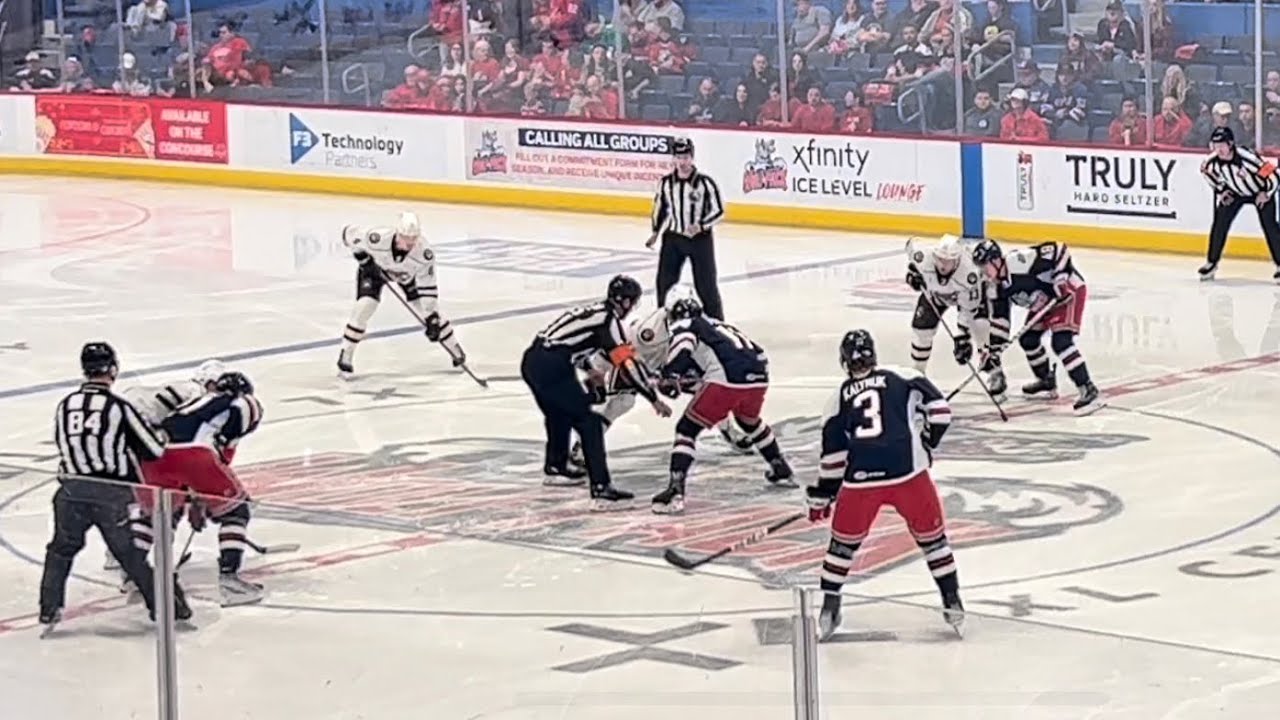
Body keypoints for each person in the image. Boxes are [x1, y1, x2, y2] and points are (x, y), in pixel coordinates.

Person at [805, 330, 961, 640]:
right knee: (933, 541)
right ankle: (952, 600)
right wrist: (928, 441)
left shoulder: (836, 399)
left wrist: (823, 495)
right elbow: (942, 412)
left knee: (842, 547)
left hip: (861, 482)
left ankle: (829, 608)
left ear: (844, 362)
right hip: (909, 475)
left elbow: (834, 458)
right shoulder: (903, 375)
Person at [40, 342, 191, 633]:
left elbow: (63, 442)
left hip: (70, 490)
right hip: (110, 492)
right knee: (130, 553)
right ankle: (168, 608)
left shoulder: (66, 405)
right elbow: (152, 450)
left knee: (60, 549)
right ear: (112, 369)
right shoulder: (118, 407)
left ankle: (49, 609)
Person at [521, 275, 671, 508]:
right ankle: (601, 489)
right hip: (553, 365)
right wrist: (653, 399)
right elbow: (627, 364)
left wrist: (590, 369)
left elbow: (568, 343)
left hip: (533, 360)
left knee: (557, 414)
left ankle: (556, 467)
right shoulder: (608, 321)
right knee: (589, 423)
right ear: (625, 302)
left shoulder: (594, 312)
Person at [651, 297, 794, 514]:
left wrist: (670, 375)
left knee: (686, 430)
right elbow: (759, 353)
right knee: (749, 422)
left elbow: (684, 346)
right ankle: (780, 466)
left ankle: (675, 490)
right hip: (759, 376)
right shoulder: (721, 326)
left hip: (727, 378)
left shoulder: (687, 324)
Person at [133, 371, 265, 605]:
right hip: (194, 454)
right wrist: (209, 502)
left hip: (155, 455)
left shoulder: (193, 402)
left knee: (161, 513)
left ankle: (132, 572)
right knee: (237, 509)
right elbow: (222, 453)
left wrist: (195, 498)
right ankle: (229, 581)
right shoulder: (245, 402)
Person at [972, 239, 1102, 415]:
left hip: (1068, 293)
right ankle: (1046, 381)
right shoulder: (996, 287)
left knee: (1061, 342)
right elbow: (1001, 322)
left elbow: (1059, 248)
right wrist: (994, 351)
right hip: (1045, 302)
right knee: (1029, 340)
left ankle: (1087, 388)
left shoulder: (1018, 262)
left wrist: (1060, 278)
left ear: (996, 260)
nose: (983, 273)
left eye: (984, 266)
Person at [336, 212, 469, 376]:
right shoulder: (377, 238)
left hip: (407, 278)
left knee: (426, 313)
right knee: (364, 307)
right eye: (405, 237)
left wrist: (432, 317)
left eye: (413, 238)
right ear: (397, 233)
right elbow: (348, 234)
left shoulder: (424, 254)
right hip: (375, 272)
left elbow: (428, 287)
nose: (410, 243)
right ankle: (346, 353)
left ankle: (454, 348)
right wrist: (364, 260)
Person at [906, 235, 1007, 397]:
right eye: (940, 259)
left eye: (948, 261)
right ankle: (917, 375)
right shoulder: (923, 257)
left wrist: (962, 337)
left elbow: (968, 310)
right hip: (934, 296)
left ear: (958, 259)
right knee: (921, 331)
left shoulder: (969, 274)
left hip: (965, 298)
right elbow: (910, 246)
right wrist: (912, 274)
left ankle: (995, 371)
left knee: (980, 326)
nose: (943, 265)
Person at [647, 138, 727, 318]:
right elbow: (660, 208)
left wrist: (701, 226)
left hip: (700, 240)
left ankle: (718, 324)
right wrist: (655, 232)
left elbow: (719, 210)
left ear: (692, 158)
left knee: (706, 286)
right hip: (673, 238)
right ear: (673, 159)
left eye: (686, 157)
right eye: (679, 157)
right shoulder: (666, 183)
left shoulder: (705, 183)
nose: (682, 162)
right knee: (664, 283)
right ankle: (663, 321)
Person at [1199, 126, 1280, 284]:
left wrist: (1267, 193)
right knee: (1219, 224)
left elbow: (1273, 174)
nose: (1218, 149)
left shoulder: (1248, 159)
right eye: (1215, 145)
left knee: (1270, 227)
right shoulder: (1211, 161)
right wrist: (1222, 190)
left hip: (1259, 192)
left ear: (1230, 144)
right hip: (1235, 193)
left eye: (1222, 145)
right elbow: (1205, 171)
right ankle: (1211, 262)